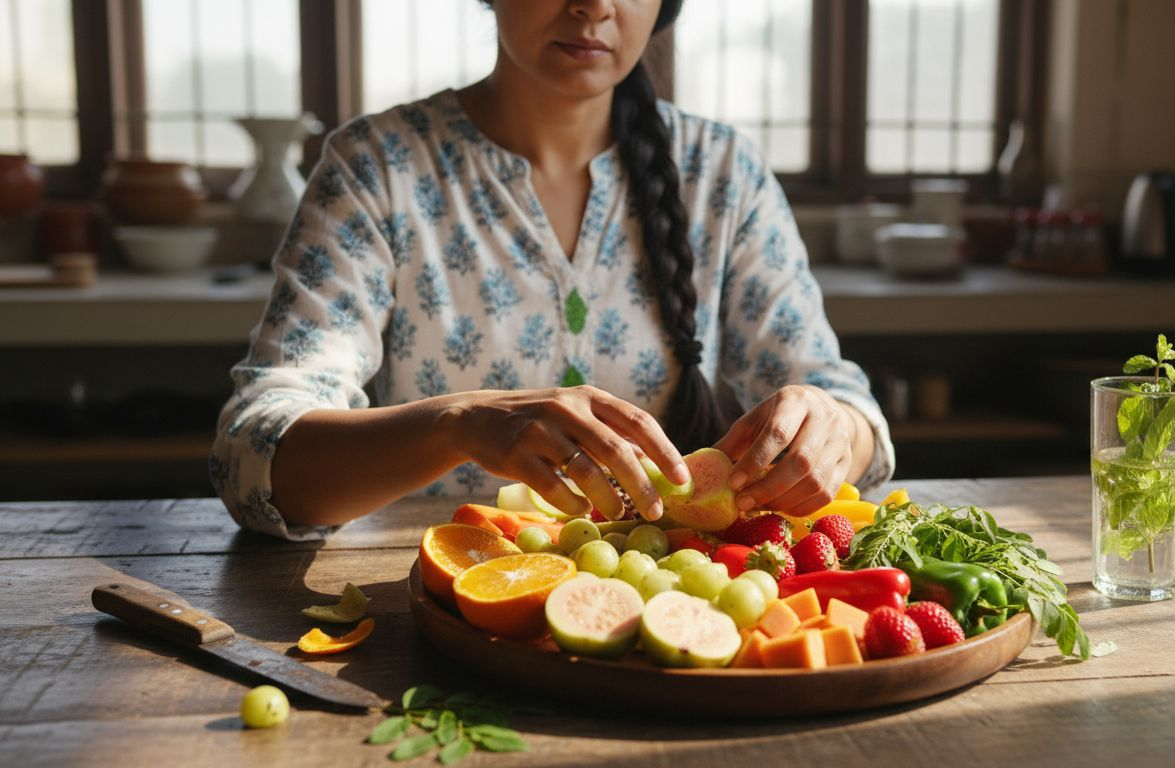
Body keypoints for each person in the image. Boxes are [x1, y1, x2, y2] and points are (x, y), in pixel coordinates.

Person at [210, 0, 894, 541]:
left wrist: (835, 424)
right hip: (430, 604)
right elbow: (254, 459)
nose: (594, 5)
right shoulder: (376, 167)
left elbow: (846, 409)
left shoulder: (722, 174)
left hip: (666, 630)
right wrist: (457, 425)